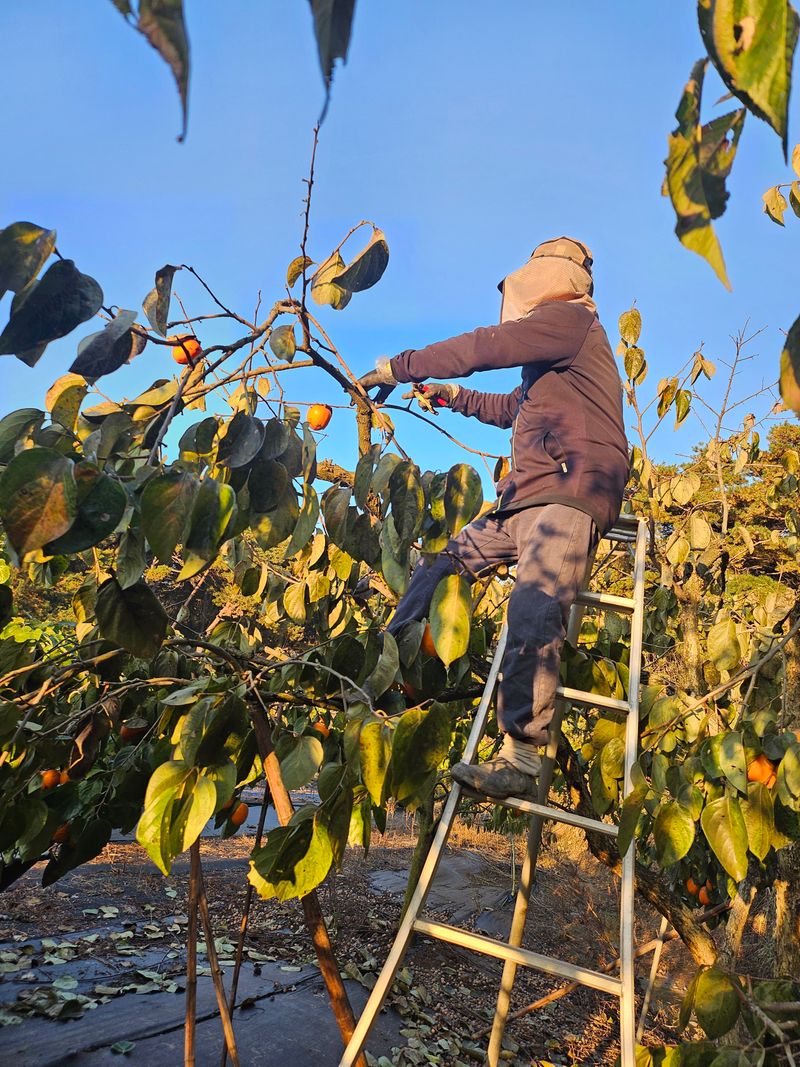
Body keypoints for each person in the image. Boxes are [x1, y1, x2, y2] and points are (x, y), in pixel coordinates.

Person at [358, 237, 629, 801]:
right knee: (440, 567)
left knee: (534, 604)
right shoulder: (549, 362)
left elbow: (487, 345)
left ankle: (522, 759)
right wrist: (451, 395)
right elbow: (509, 407)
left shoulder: (572, 321)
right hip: (523, 500)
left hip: (568, 491)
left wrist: (397, 368)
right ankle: (387, 675)